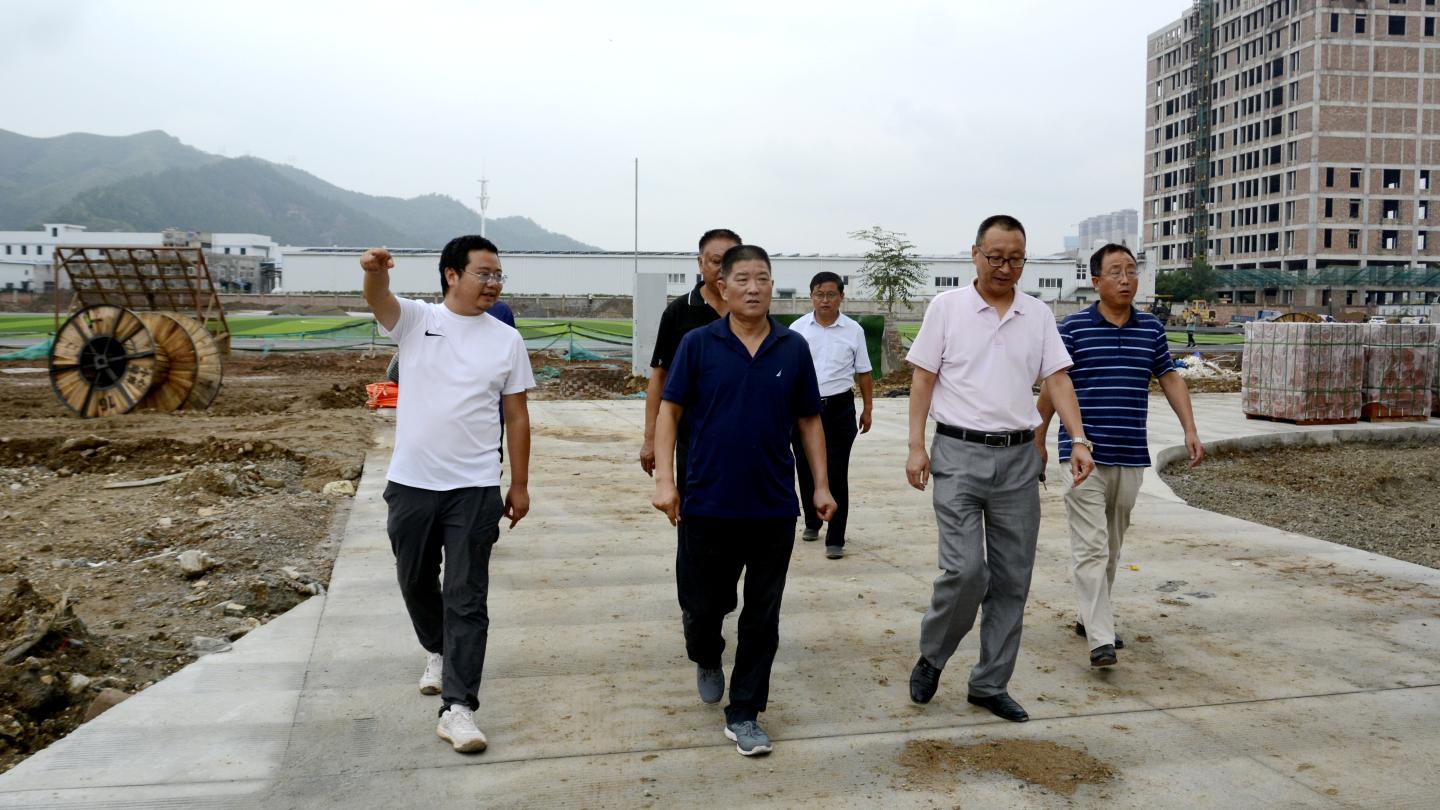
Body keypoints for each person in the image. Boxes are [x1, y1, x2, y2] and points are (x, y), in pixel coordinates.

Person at [904, 214, 1094, 724]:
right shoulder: (946, 308)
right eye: (995, 258)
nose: (1005, 268)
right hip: (958, 454)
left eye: (1016, 259)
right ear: (975, 254)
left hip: (1018, 459)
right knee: (966, 570)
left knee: (1012, 578)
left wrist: (1077, 438)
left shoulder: (1038, 313)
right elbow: (922, 379)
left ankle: (990, 683)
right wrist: (916, 447)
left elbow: (1057, 379)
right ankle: (933, 655)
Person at [652, 244, 836, 757]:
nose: (754, 288)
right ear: (723, 286)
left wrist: (820, 486)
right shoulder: (698, 344)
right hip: (706, 502)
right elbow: (670, 411)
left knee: (762, 614)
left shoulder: (792, 347)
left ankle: (746, 711)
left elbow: (809, 420)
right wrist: (665, 480)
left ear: (772, 286)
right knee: (703, 607)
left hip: (772, 506)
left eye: (763, 279)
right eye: (743, 279)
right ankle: (706, 653)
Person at [360, 235, 535, 754]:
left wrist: (519, 484)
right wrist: (375, 270)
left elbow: (517, 416)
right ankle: (436, 648)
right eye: (484, 273)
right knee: (414, 578)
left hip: (474, 489)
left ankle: (459, 708)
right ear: (452, 275)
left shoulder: (507, 339)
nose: (493, 283)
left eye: (498, 274)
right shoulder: (418, 320)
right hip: (412, 483)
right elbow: (378, 298)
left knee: (467, 597)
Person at [1036, 243, 1204, 668]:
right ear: (1096, 281)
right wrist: (1037, 439)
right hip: (1082, 454)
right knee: (1091, 546)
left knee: (1110, 546)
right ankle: (1101, 638)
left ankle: (1088, 616)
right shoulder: (1073, 329)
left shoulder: (1151, 329)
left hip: (1130, 453)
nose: (1126, 279)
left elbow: (1169, 377)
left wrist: (1189, 429)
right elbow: (1054, 386)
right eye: (1115, 271)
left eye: (1131, 270)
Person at [788, 271, 873, 559]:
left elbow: (864, 372)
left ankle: (835, 537)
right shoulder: (798, 329)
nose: (825, 300)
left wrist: (868, 409)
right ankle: (812, 521)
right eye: (819, 295)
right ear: (811, 296)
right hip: (803, 408)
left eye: (831, 295)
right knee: (805, 467)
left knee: (836, 473)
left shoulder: (853, 330)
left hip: (839, 409)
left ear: (841, 297)